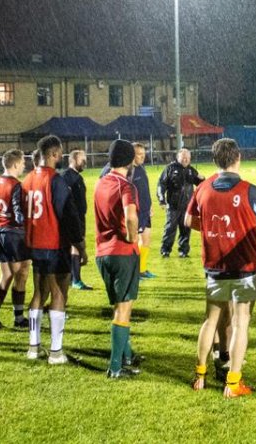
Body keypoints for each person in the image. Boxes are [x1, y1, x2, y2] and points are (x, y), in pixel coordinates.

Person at [187, 138, 256, 398]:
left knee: (210, 319)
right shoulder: (250, 191)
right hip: (244, 267)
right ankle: (233, 382)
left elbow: (189, 219)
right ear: (238, 158)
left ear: (215, 160)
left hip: (215, 265)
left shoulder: (202, 188)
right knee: (240, 322)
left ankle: (200, 375)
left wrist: (213, 230)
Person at [23, 136, 87, 364]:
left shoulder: (27, 179)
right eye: (59, 153)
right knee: (59, 292)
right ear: (52, 154)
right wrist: (80, 245)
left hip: (35, 244)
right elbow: (68, 215)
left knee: (39, 293)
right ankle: (56, 351)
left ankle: (33, 347)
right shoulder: (55, 180)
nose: (61, 156)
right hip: (54, 243)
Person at [96, 140, 145, 378]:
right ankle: (115, 367)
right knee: (124, 309)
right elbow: (131, 216)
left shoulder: (101, 182)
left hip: (103, 252)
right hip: (122, 253)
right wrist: (132, 237)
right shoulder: (126, 185)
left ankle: (127, 354)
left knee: (120, 307)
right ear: (129, 160)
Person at [0, 149, 31, 331]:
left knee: (6, 275)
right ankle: (19, 317)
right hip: (14, 234)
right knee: (22, 272)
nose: (24, 166)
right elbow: (19, 214)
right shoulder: (16, 185)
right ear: (15, 164)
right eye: (22, 163)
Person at [158, 148, 205, 258]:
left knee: (186, 229)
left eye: (188, 158)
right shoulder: (170, 168)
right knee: (170, 229)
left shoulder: (191, 170)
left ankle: (183, 251)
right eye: (183, 157)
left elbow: (201, 185)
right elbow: (161, 184)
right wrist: (161, 199)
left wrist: (202, 179)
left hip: (188, 206)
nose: (185, 159)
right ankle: (165, 250)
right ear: (178, 157)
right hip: (173, 206)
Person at [63, 150, 94, 291]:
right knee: (76, 247)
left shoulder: (74, 177)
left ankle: (71, 278)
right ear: (74, 160)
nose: (85, 162)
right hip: (73, 218)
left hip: (76, 217)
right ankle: (76, 279)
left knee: (72, 247)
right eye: (82, 159)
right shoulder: (69, 177)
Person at [130, 143, 156, 279]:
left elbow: (145, 188)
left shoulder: (141, 168)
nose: (142, 157)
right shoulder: (129, 171)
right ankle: (134, 271)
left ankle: (142, 269)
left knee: (146, 240)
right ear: (132, 155)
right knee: (134, 242)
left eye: (143, 154)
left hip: (146, 211)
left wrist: (150, 205)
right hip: (136, 212)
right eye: (139, 154)